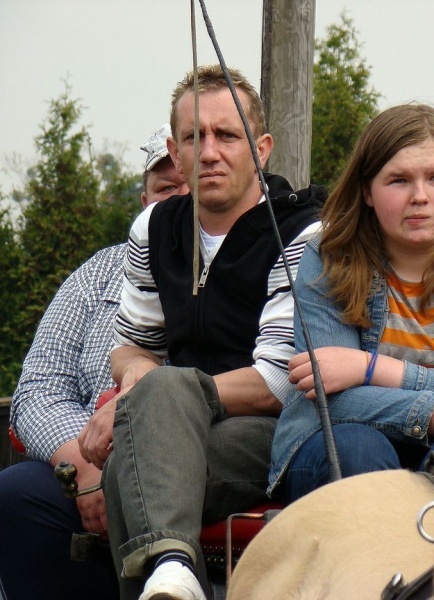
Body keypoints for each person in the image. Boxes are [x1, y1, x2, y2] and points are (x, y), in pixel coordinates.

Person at [77, 64, 325, 600]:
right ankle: (173, 576)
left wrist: (150, 395)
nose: (210, 152)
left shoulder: (302, 231)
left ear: (261, 149)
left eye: (227, 135)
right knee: (140, 445)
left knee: (130, 464)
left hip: (274, 428)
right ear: (176, 150)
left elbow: (275, 383)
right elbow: (131, 347)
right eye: (194, 137)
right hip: (175, 422)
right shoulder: (155, 228)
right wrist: (140, 379)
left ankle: (169, 574)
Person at [267, 103, 434, 503]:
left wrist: (372, 368)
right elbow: (330, 399)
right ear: (367, 191)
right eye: (398, 180)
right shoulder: (329, 257)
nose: (420, 196)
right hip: (340, 443)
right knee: (358, 447)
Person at [0, 124, 188, 600]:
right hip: (88, 465)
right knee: (15, 493)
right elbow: (38, 389)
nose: (181, 199)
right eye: (166, 189)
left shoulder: (241, 264)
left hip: (186, 466)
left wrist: (127, 472)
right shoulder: (97, 274)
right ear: (144, 202)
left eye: (191, 185)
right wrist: (85, 471)